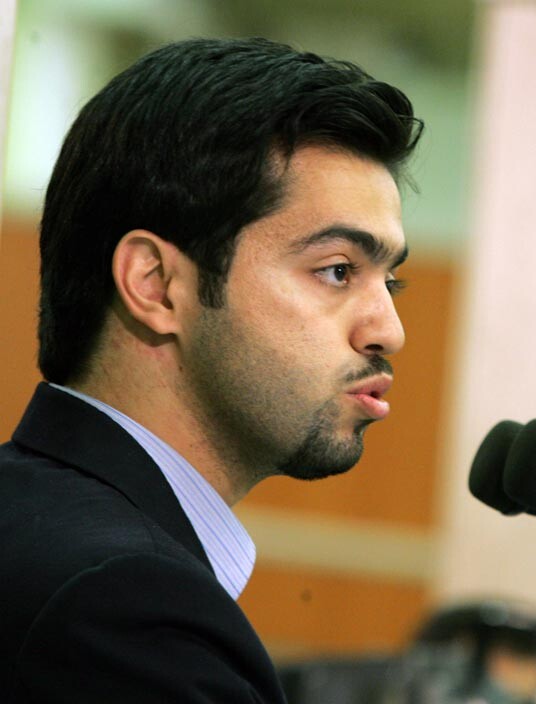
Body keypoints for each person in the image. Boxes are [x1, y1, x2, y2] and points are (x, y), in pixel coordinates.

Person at [0, 37, 422, 701]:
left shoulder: (33, 521)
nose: (389, 331)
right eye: (337, 270)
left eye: (389, 282)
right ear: (156, 284)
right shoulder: (122, 607)